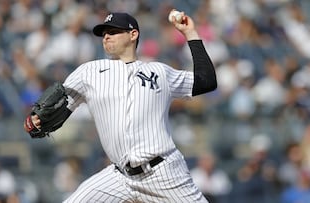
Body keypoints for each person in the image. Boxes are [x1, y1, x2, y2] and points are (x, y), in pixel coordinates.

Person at [28, 11, 217, 202]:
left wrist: (190, 33)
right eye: (104, 33)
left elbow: (206, 81)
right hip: (120, 176)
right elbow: (57, 106)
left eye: (113, 31)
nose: (106, 36)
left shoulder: (159, 72)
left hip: (163, 172)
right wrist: (37, 119)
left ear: (133, 34)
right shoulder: (88, 73)